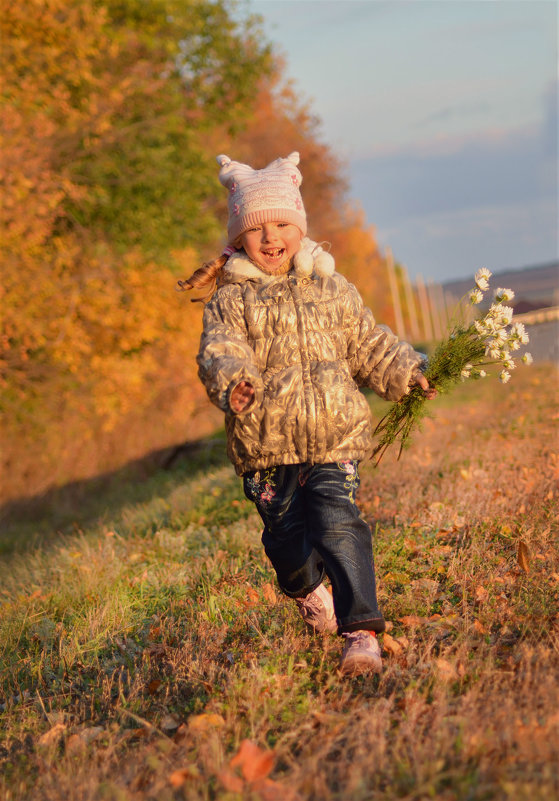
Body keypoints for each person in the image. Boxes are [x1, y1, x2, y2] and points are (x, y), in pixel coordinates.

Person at [179, 152, 436, 676]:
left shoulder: (332, 289)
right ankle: (307, 589)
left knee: (337, 520)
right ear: (238, 237)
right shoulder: (231, 299)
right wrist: (235, 382)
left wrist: (407, 370)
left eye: (282, 225)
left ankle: (361, 630)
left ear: (299, 226)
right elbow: (220, 349)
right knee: (286, 541)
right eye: (257, 229)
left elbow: (369, 343)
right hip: (265, 442)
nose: (271, 238)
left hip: (333, 434)